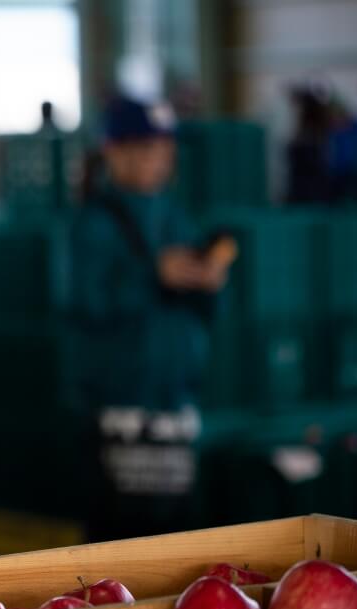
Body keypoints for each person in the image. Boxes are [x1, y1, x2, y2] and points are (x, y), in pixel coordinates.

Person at [71, 95, 234, 541]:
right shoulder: (94, 223)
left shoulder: (177, 217)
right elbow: (85, 302)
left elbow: (210, 311)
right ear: (113, 151)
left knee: (174, 538)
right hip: (117, 415)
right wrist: (152, 275)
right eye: (144, 149)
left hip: (176, 408)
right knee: (118, 541)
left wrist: (209, 281)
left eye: (164, 150)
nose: (157, 161)